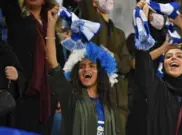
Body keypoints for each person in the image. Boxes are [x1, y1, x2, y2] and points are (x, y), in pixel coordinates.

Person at [46, 6, 121, 135]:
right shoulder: (70, 97)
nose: (86, 69)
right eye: (81, 66)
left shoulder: (109, 105)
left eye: (92, 66)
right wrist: (51, 24)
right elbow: (52, 61)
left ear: (101, 72)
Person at [0, 0, 65, 133]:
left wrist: (60, 94)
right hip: (23, 92)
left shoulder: (51, 23)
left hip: (47, 98)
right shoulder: (17, 16)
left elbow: (59, 61)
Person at [80, 1, 133, 134]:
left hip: (118, 94)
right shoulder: (91, 24)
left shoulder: (119, 33)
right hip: (96, 92)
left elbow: (126, 65)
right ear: (93, 3)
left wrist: (112, 55)